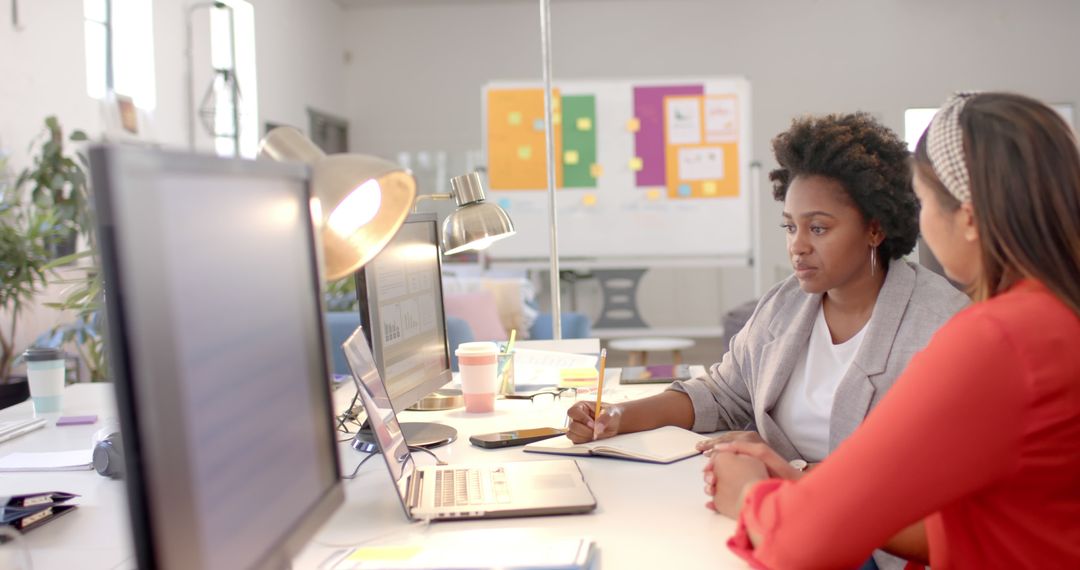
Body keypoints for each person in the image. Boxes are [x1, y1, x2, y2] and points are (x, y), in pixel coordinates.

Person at [706, 92, 1080, 569]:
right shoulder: (1057, 318)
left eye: (923, 202)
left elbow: (804, 544)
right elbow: (1002, 518)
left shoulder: (995, 339)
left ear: (966, 218)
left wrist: (749, 492)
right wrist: (806, 488)